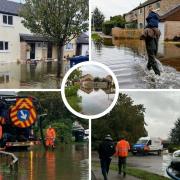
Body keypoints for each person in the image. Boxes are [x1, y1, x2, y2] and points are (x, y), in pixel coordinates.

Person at [140, 7, 161, 76]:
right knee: (152, 57)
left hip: (150, 47)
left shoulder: (147, 30)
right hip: (155, 48)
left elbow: (141, 37)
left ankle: (158, 74)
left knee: (151, 57)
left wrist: (142, 36)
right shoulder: (158, 31)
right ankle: (148, 67)